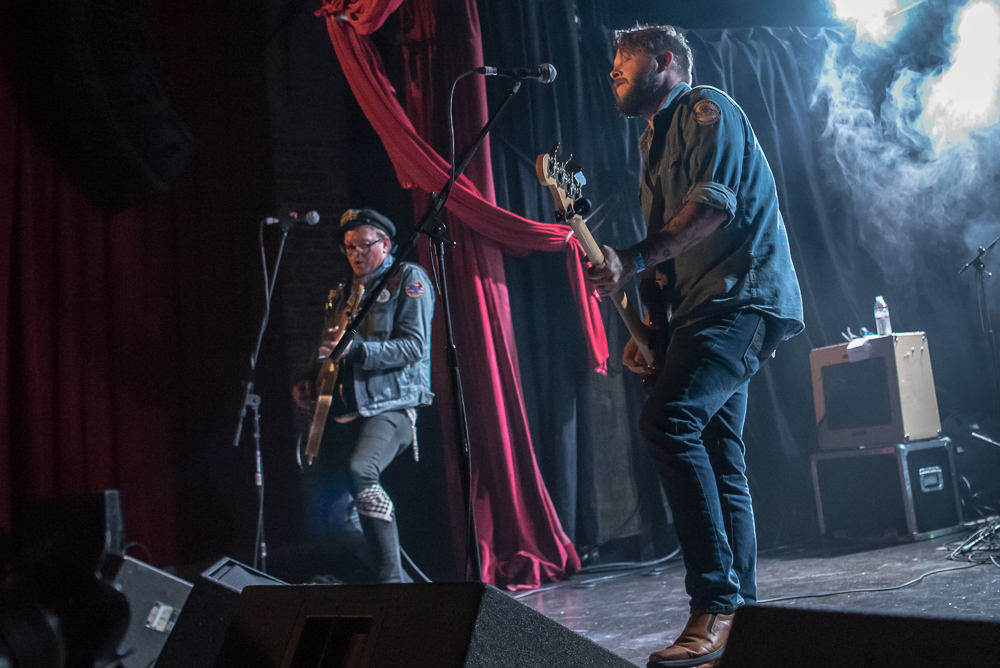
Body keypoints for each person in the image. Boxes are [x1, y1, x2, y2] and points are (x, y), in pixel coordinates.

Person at [588, 25, 804, 668]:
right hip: (699, 310)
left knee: (668, 423)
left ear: (663, 60)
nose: (610, 73)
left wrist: (627, 257)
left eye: (620, 61)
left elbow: (711, 210)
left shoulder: (707, 108)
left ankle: (715, 603)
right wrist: (650, 329)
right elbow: (671, 251)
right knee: (716, 449)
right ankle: (744, 616)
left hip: (741, 300)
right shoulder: (652, 139)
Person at [293, 208, 435, 583]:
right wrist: (310, 376)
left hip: (393, 406)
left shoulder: (408, 280)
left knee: (363, 470)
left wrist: (357, 350)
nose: (355, 254)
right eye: (349, 247)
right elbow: (330, 346)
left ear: (385, 244)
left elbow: (413, 347)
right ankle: (402, 582)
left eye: (364, 245)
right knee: (332, 513)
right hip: (346, 411)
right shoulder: (342, 294)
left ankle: (393, 587)